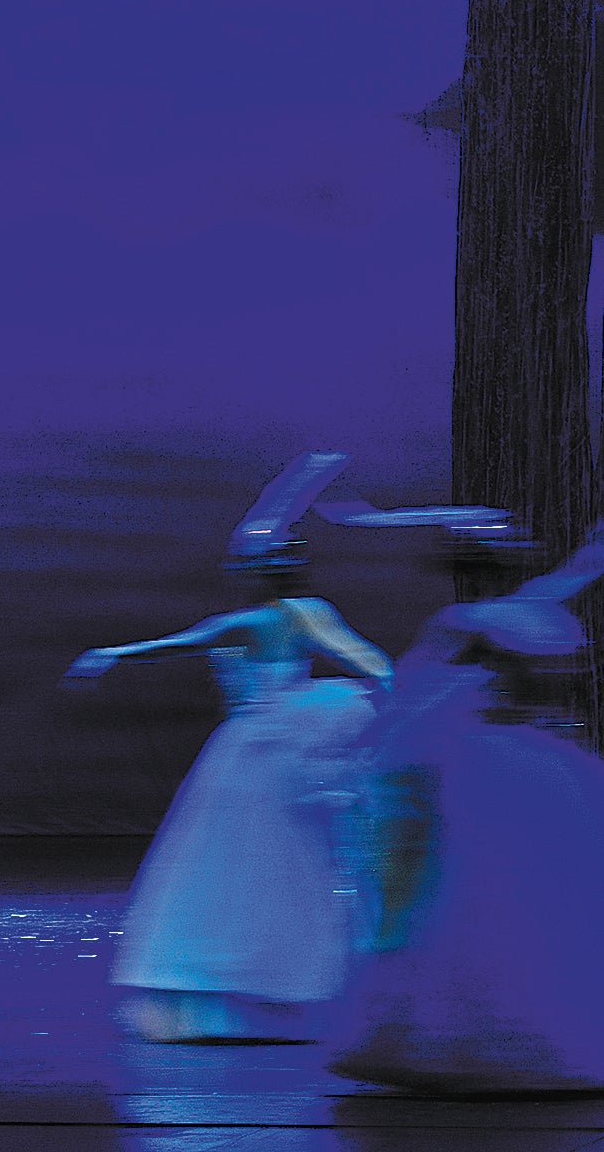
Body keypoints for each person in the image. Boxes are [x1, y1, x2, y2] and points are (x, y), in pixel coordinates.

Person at [64, 451, 399, 1043]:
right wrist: (299, 481)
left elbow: (181, 641)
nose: (240, 563)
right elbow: (256, 550)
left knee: (247, 862)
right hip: (263, 749)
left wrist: (113, 654)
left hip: (258, 749)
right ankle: (273, 978)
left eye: (252, 560)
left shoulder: (275, 616)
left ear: (263, 569)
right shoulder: (286, 613)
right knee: (266, 861)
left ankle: (247, 975)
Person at [328, 528, 604, 1094]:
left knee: (475, 890)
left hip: (490, 761)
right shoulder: (533, 614)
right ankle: (535, 1028)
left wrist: (366, 751)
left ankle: (478, 1034)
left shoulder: (475, 620)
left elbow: (412, 690)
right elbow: (572, 578)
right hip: (534, 761)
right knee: (527, 891)